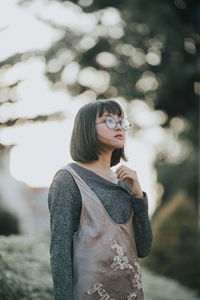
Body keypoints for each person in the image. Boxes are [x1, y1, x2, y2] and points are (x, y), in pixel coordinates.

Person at [48, 99, 153, 300]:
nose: (119, 127)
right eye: (109, 121)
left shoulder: (124, 182)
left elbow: (144, 247)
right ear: (87, 128)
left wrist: (139, 196)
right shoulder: (69, 179)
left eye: (121, 122)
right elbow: (60, 251)